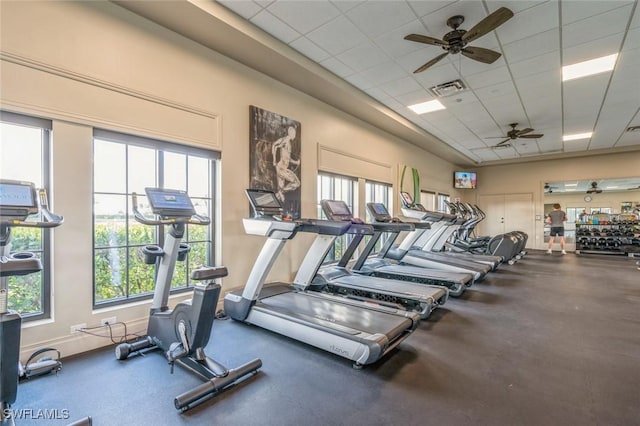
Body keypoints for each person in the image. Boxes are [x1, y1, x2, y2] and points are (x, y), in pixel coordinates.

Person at [271, 125, 300, 203]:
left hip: (282, 168)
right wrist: (274, 160)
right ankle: (280, 192)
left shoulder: (288, 143)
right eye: (294, 133)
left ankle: (278, 194)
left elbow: (288, 158)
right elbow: (274, 145)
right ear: (290, 133)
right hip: (281, 168)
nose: (295, 135)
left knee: (280, 196)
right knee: (296, 183)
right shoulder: (286, 140)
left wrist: (296, 162)